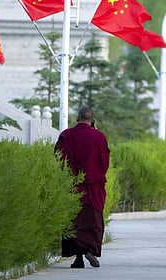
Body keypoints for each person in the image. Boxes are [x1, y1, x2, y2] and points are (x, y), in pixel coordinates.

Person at [54, 107, 110, 268]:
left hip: (73, 185)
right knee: (93, 220)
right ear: (92, 121)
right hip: (94, 188)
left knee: (74, 220)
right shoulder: (99, 137)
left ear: (77, 119)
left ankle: (78, 258)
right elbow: (104, 162)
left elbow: (59, 158)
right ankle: (90, 250)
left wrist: (69, 176)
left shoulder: (67, 135)